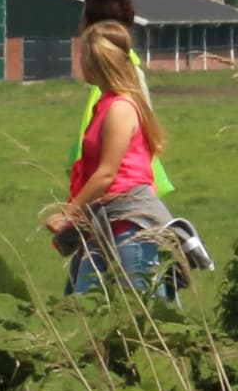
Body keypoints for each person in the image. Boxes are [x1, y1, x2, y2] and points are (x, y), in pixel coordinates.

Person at [49, 19, 182, 296]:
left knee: (141, 307)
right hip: (102, 222)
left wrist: (67, 215)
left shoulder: (120, 108)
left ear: (98, 60)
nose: (80, 62)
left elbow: (107, 173)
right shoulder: (105, 104)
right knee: (84, 304)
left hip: (129, 226)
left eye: (83, 55)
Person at [77, 0, 174, 194]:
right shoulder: (114, 83)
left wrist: (71, 211)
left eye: (83, 19)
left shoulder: (119, 92)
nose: (79, 26)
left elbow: (105, 167)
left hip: (123, 195)